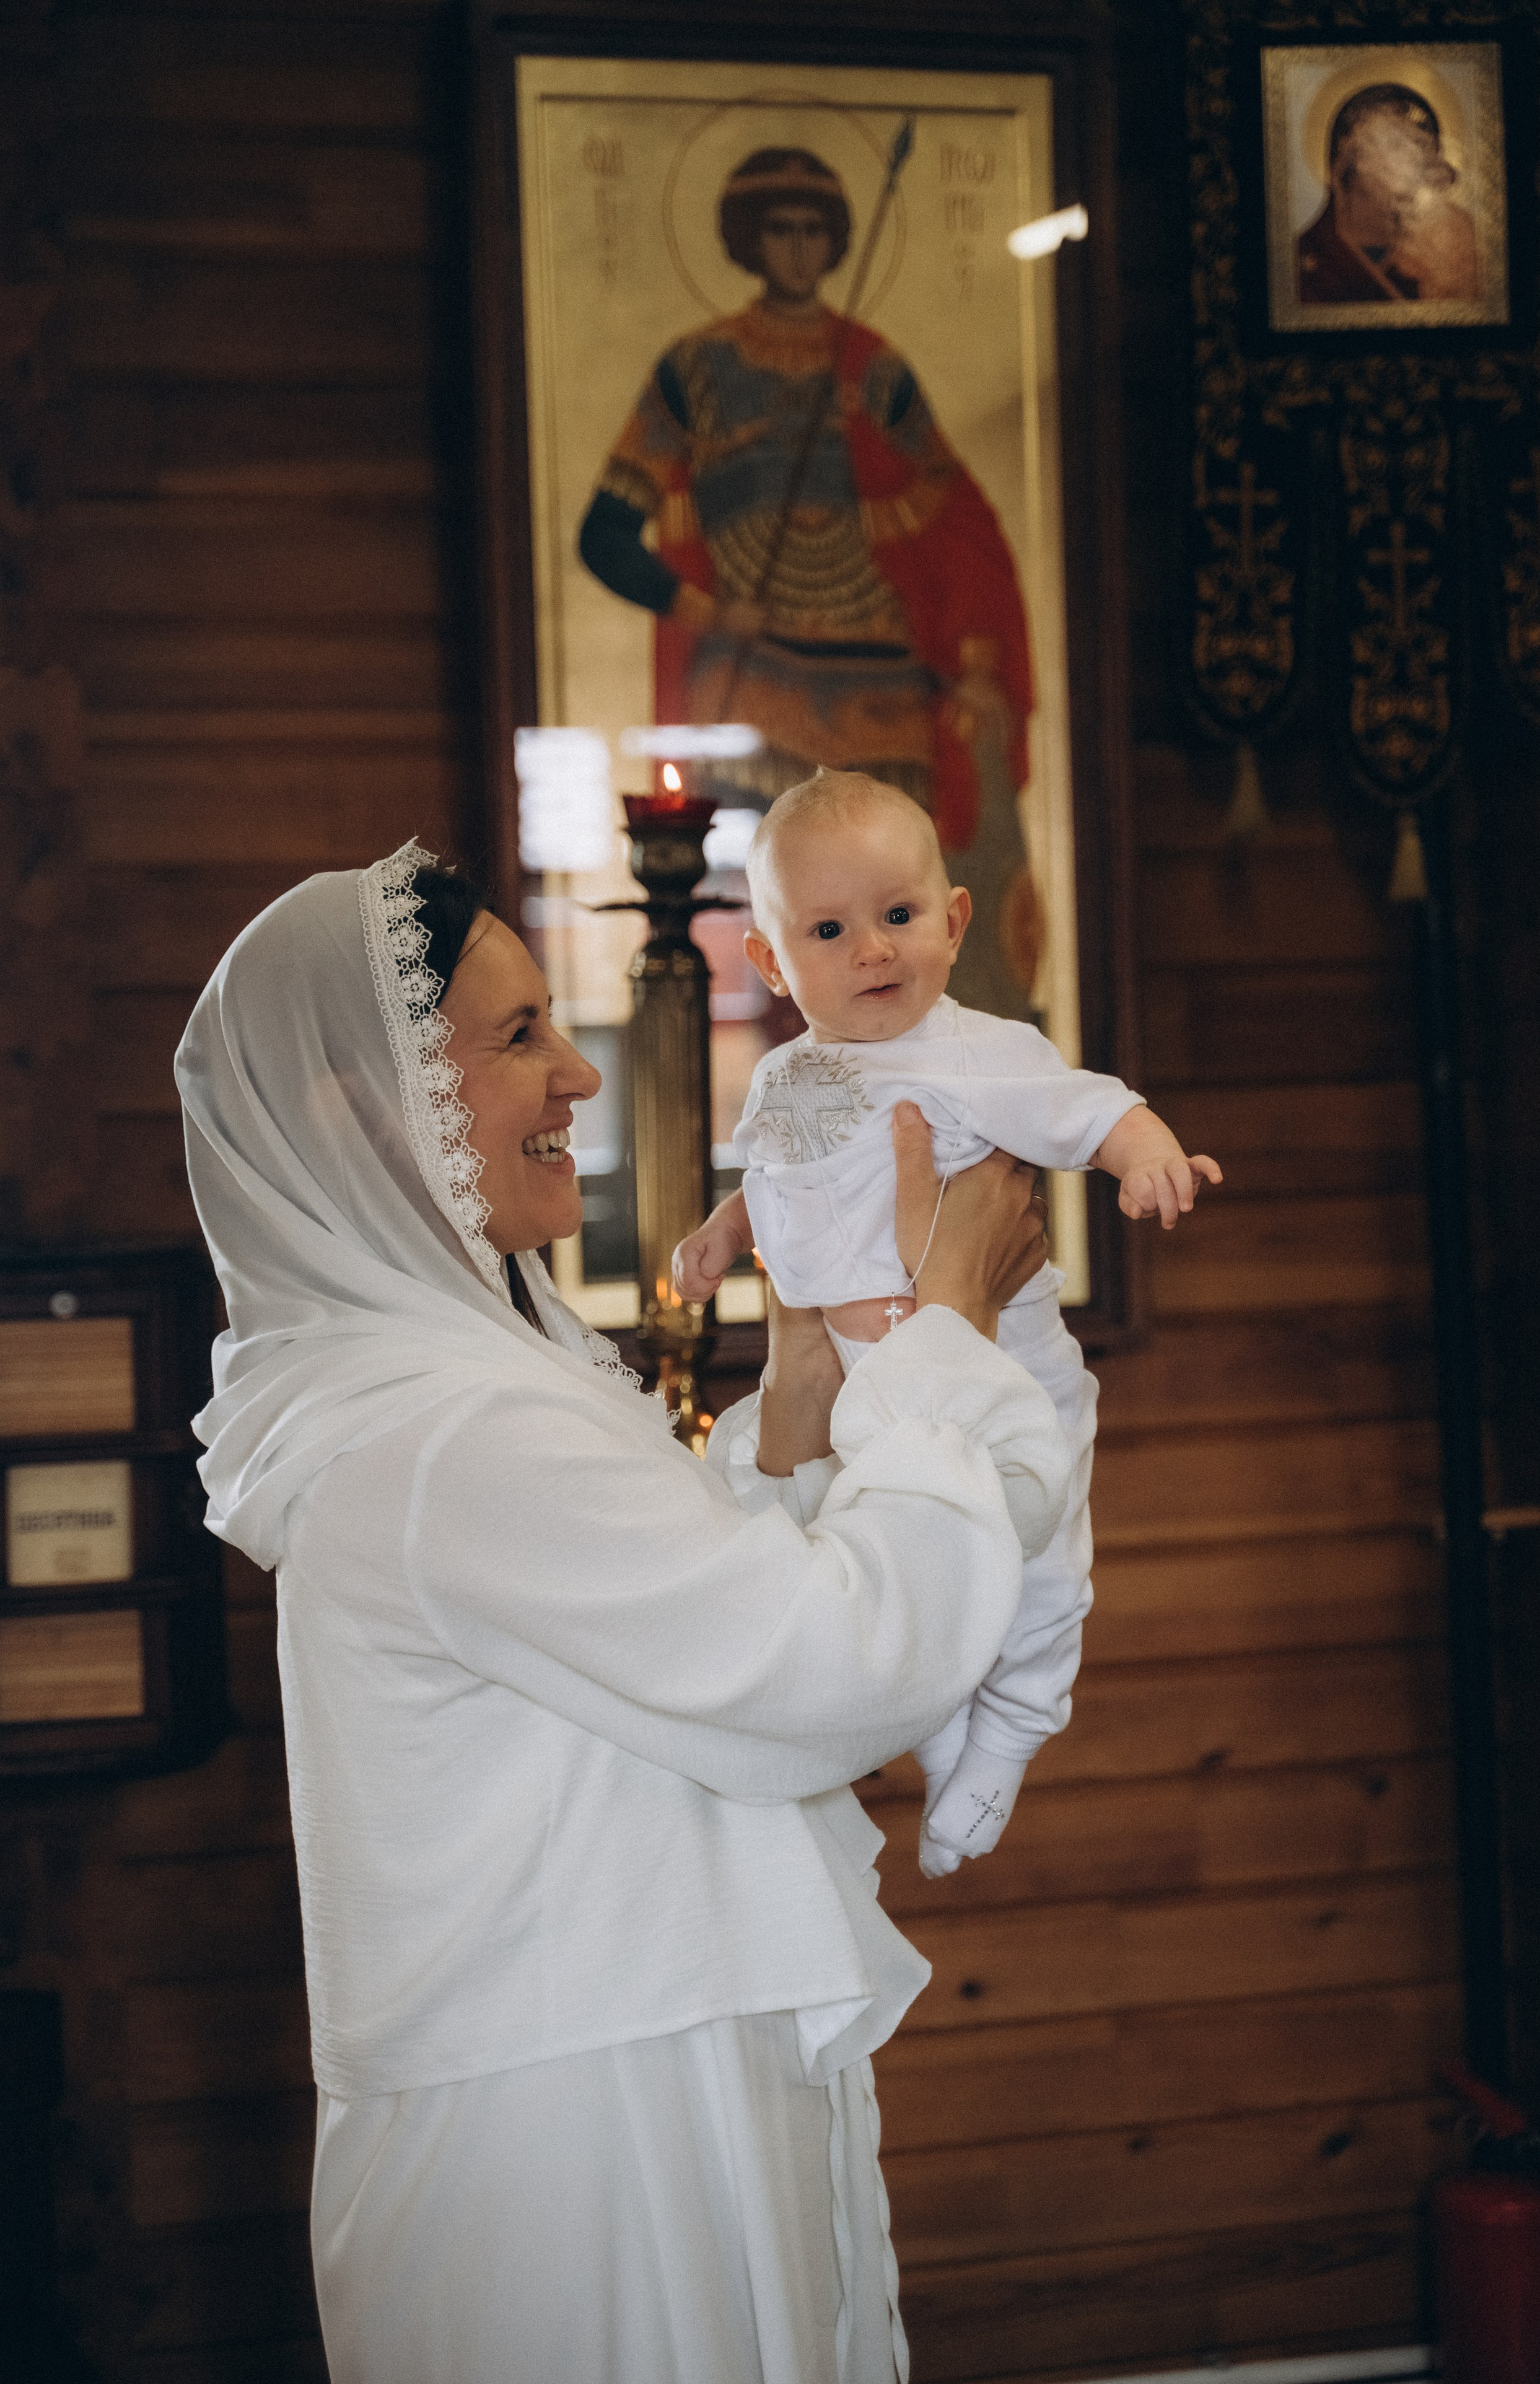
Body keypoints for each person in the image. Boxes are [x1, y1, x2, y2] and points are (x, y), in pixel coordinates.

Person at [174, 836, 1067, 2384]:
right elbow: (831, 1665)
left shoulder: (467, 1392)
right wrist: (953, 1326)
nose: (575, 1077)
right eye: (516, 1035)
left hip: (624, 2068)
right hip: (581, 2148)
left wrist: (800, 1371)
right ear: (361, 1104)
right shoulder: (450, 1433)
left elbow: (705, 1627)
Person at [674, 774, 1221, 1877]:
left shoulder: (984, 1052)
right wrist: (722, 1235)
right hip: (867, 1390)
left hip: (1000, 1364)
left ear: (955, 921)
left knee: (1037, 1549)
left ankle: (1012, 1726)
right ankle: (931, 1724)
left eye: (899, 915)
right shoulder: (785, 1078)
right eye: (830, 929)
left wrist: (1147, 1153)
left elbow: (1091, 1105)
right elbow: (786, 1178)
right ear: (774, 963)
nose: (873, 949)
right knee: (885, 1549)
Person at [579, 144, 1038, 1020]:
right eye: (778, 230)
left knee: (897, 932)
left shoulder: (872, 368)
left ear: (836, 244)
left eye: (814, 231)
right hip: (755, 681)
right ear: (748, 242)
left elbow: (953, 519)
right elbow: (605, 534)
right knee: (782, 930)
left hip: (881, 677)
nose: (797, 249)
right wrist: (708, 610)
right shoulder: (695, 370)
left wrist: (975, 658)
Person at [1297, 82, 1479, 305]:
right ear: (1348, 161)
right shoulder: (1300, 263)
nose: (1419, 161)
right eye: (1396, 144)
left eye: (1425, 147)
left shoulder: (1442, 259)